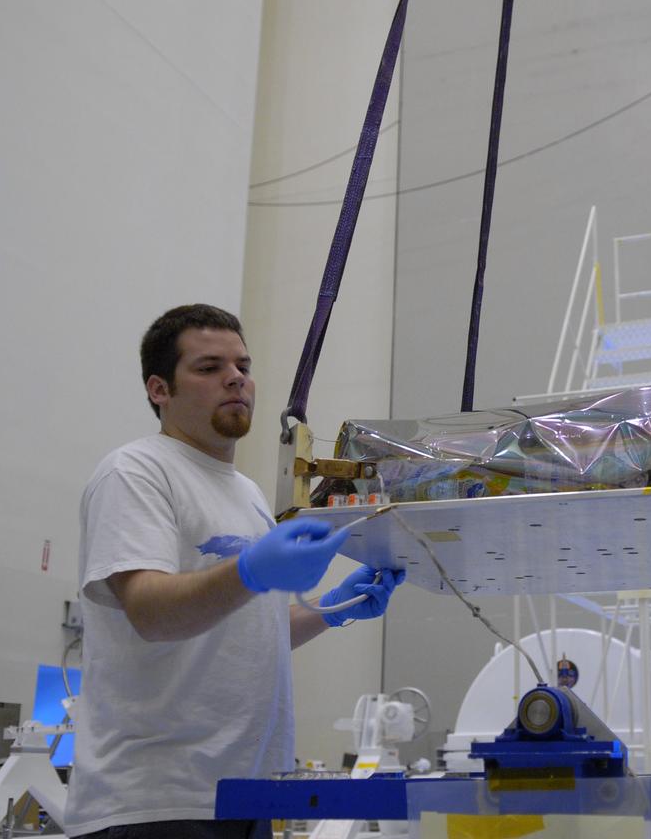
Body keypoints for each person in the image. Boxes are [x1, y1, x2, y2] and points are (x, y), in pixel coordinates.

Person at [65, 304, 405, 839]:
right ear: (160, 390)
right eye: (208, 368)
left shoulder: (245, 492)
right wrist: (251, 570)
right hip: (157, 803)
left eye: (243, 366)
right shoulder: (135, 472)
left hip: (245, 797)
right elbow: (151, 614)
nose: (236, 380)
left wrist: (332, 610)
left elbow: (243, 630)